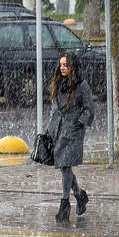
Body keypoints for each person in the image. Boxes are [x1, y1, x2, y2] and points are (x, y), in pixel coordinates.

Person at [46, 52, 94, 222]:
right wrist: (50, 129)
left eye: (65, 64)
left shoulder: (81, 85)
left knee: (65, 165)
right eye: (61, 65)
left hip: (72, 132)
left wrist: (78, 123)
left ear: (73, 66)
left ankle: (65, 203)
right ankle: (80, 195)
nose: (62, 68)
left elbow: (89, 109)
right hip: (59, 130)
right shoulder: (58, 84)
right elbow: (54, 109)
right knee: (64, 166)